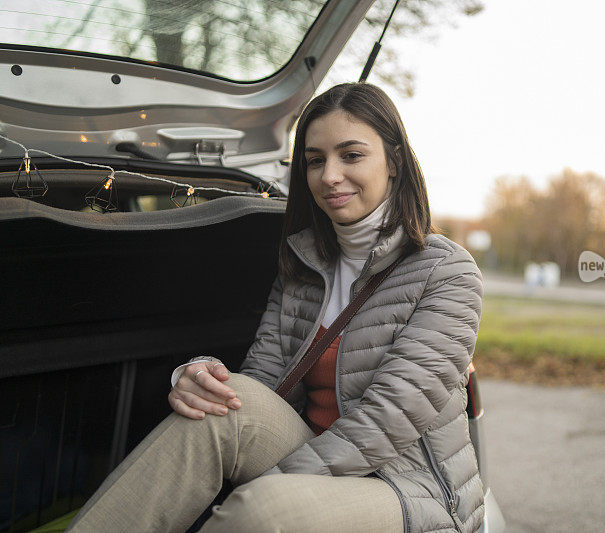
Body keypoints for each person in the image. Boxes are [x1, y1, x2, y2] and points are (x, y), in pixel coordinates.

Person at [67, 82, 485, 533]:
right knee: (217, 408)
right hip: (315, 458)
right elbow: (261, 386)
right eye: (315, 160)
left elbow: (387, 422)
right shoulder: (304, 265)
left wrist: (258, 487)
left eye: (351, 155)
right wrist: (203, 375)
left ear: (395, 163)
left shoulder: (447, 272)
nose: (329, 176)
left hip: (410, 491)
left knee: (263, 510)